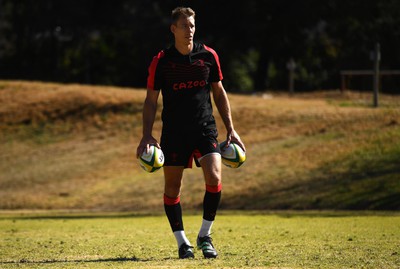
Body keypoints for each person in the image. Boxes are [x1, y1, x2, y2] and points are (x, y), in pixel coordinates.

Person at [136, 6, 245, 259]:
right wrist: (146, 134)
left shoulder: (208, 56)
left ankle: (205, 236)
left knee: (215, 177)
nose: (190, 30)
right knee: (173, 188)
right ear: (173, 29)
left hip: (205, 128)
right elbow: (151, 100)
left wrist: (231, 129)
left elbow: (219, 92)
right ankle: (182, 242)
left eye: (193, 25)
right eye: (184, 26)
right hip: (174, 132)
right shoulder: (161, 61)